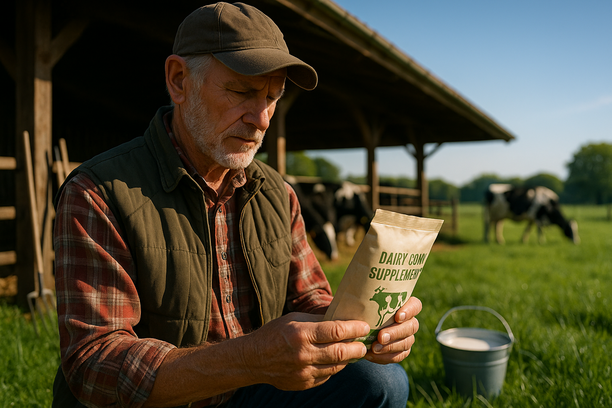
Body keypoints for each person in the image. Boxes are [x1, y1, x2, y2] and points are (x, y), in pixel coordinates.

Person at [52, 2, 422, 407]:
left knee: (382, 380)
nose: (262, 118)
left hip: (253, 390)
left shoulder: (277, 194)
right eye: (242, 91)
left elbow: (309, 300)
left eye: (272, 96)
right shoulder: (99, 190)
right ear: (179, 81)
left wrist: (363, 328)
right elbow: (94, 362)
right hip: (165, 401)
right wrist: (251, 359)